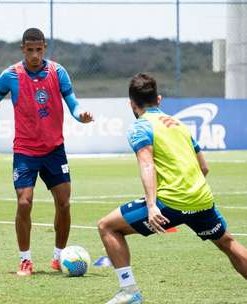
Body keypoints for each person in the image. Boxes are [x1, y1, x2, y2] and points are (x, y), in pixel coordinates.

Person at [98, 73, 247, 304]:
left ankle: (129, 292)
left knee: (107, 226)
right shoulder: (179, 124)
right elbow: (204, 167)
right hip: (202, 199)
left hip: (170, 203)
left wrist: (151, 207)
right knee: (227, 243)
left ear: (131, 104)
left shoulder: (140, 127)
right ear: (159, 99)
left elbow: (146, 164)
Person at [0, 28, 94, 276]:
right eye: (30, 50)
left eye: (39, 50)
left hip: (54, 150)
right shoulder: (10, 75)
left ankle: (58, 257)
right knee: (24, 202)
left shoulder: (58, 72)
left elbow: (72, 103)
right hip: (25, 151)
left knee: (64, 203)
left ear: (45, 48)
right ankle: (25, 260)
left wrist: (81, 116)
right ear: (23, 49)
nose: (35, 55)